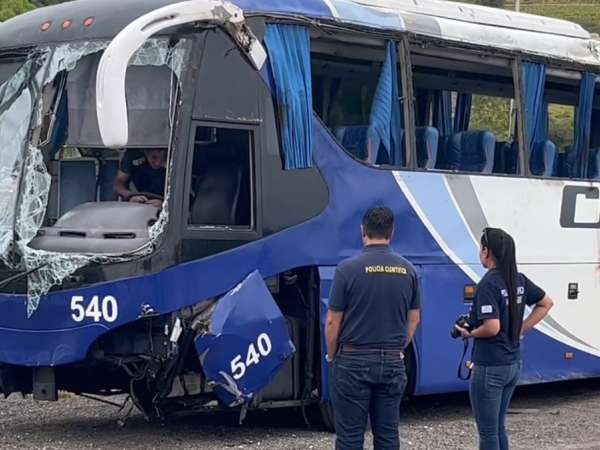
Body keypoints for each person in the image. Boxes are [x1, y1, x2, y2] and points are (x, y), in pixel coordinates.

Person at [325, 206, 421, 450]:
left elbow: (333, 321)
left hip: (353, 361)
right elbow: (414, 319)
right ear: (392, 232)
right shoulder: (408, 270)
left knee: (349, 438)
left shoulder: (347, 269)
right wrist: (400, 347)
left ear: (362, 231)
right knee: (388, 437)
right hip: (391, 362)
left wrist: (332, 354)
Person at [455, 227, 554, 450]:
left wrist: (469, 333)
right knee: (498, 427)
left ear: (487, 251)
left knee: (488, 432)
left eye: (480, 247)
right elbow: (546, 302)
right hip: (512, 363)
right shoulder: (518, 279)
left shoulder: (488, 284)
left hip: (490, 365)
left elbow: (491, 327)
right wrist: (522, 329)